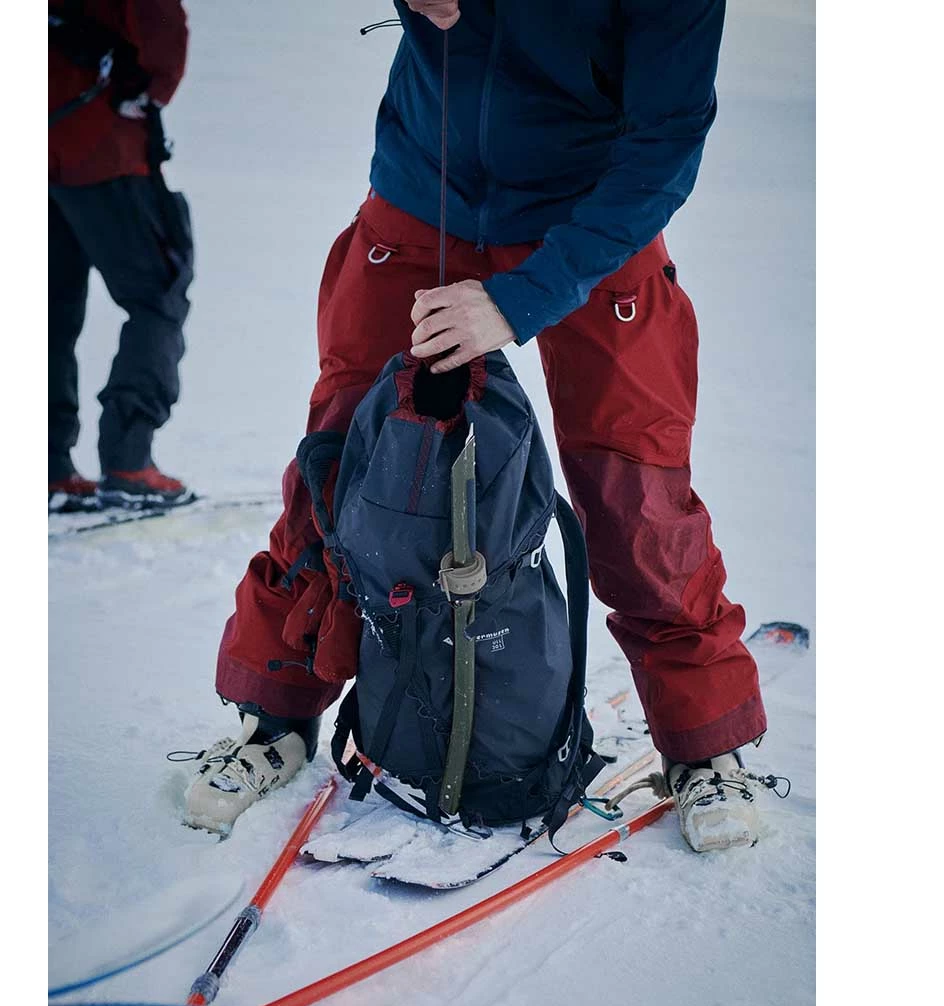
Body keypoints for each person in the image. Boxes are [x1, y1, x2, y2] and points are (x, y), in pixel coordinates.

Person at [183, 0, 769, 853]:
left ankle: (706, 745)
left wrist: (521, 299)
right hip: (425, 194)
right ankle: (271, 717)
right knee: (342, 464)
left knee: (635, 496)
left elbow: (668, 138)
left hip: (591, 221)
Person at [49, 0, 193, 511]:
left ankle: (47, 467)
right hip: (101, 142)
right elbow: (159, 24)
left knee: (50, 310)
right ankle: (128, 462)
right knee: (158, 296)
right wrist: (149, 85)